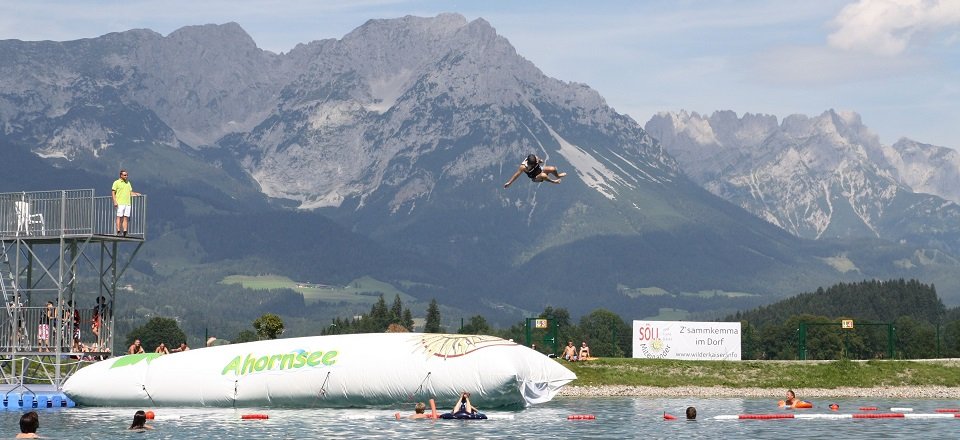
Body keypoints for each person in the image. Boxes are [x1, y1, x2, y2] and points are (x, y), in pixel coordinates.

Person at [112, 169, 141, 237]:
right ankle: (118, 230)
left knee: (126, 217)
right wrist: (115, 201)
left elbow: (130, 192)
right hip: (120, 203)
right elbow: (113, 192)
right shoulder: (116, 182)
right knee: (119, 216)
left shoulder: (128, 183)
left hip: (127, 203)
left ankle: (125, 231)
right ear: (121, 175)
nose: (126, 176)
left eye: (127, 175)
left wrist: (136, 194)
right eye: (125, 175)